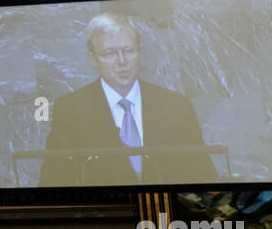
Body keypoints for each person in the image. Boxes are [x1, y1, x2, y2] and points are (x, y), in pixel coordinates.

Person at [40, 12, 215, 187]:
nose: (122, 61)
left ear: (139, 52)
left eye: (128, 51)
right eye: (110, 53)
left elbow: (204, 176)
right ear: (92, 59)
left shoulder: (175, 105)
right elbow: (53, 181)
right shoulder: (71, 110)